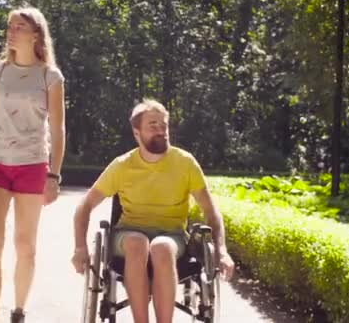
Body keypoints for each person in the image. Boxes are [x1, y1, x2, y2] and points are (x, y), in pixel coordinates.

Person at [71, 99, 234, 323]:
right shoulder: (122, 165)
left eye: (163, 125)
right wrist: (80, 247)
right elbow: (85, 206)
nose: (161, 130)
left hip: (172, 236)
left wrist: (222, 250)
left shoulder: (185, 163)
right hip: (128, 235)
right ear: (137, 133)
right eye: (153, 125)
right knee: (138, 243)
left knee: (161, 246)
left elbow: (210, 211)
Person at [0, 6, 65, 323]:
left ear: (36, 34)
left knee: (25, 246)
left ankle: (18, 310)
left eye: (19, 26)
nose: (12, 31)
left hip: (32, 166)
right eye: (10, 26)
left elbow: (58, 129)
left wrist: (54, 174)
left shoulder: (50, 77)